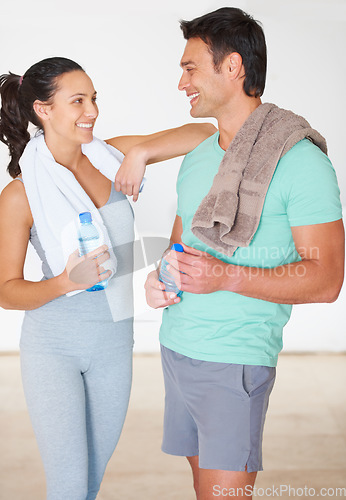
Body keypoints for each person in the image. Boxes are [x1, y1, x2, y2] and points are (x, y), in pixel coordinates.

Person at [144, 7, 345, 500]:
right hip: (177, 347)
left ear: (232, 67)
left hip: (234, 360)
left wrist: (224, 277)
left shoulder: (300, 163)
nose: (181, 83)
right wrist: (159, 276)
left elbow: (326, 280)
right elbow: (180, 245)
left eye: (190, 68)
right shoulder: (198, 157)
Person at [0, 57, 216, 500]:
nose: (92, 110)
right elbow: (5, 291)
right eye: (77, 100)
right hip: (53, 346)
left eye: (94, 98)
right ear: (43, 109)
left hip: (114, 342)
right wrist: (66, 281)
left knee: (89, 485)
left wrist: (139, 154)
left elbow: (206, 134)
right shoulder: (21, 194)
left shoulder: (109, 154)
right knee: (68, 486)